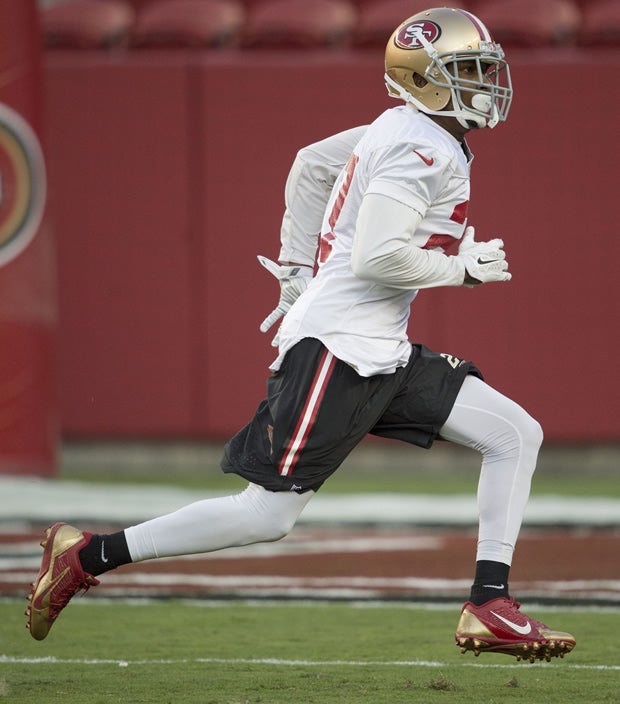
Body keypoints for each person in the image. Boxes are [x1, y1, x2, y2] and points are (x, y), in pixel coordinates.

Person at [26, 7, 575, 662]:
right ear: (424, 80)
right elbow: (376, 257)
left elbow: (312, 164)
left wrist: (296, 275)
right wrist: (461, 269)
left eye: (485, 69)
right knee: (267, 517)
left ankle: (490, 603)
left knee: (515, 433)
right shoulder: (424, 146)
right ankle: (87, 554)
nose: (486, 84)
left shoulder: (404, 128)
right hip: (341, 351)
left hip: (379, 349)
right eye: (468, 72)